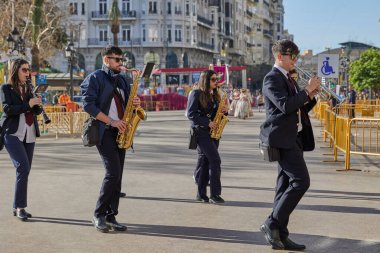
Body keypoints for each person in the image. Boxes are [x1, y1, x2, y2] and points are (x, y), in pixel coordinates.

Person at [259, 39, 320, 250]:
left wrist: (310, 96)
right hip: (281, 139)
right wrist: (305, 91)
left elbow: (297, 108)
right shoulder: (272, 78)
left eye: (296, 56)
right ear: (279, 57)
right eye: (291, 56)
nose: (295, 60)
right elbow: (284, 106)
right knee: (301, 182)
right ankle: (271, 223)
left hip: (293, 137)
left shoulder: (288, 78)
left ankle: (281, 234)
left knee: (283, 186)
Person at [80, 45, 141, 233]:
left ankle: (111, 215)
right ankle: (98, 214)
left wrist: (135, 104)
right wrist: (112, 121)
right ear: (106, 60)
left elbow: (127, 104)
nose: (121, 63)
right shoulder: (95, 78)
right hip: (104, 130)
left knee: (118, 174)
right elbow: (88, 105)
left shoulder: (123, 80)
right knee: (112, 172)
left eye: (122, 60)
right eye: (117, 59)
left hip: (121, 131)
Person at [0, 58, 42, 221]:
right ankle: (20, 207)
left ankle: (16, 205)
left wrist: (37, 103)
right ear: (16, 70)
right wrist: (28, 104)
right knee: (23, 167)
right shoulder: (6, 88)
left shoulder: (30, 88)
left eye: (28, 70)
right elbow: (7, 109)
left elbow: (35, 111)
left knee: (25, 170)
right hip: (12, 133)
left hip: (29, 133)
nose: (27, 73)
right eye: (24, 70)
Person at [187, 70, 228, 204]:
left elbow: (217, 114)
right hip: (201, 132)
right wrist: (208, 122)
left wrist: (224, 112)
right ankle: (215, 195)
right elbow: (191, 114)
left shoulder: (214, 95)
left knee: (205, 163)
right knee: (215, 160)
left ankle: (201, 194)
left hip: (213, 134)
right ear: (206, 80)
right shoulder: (196, 93)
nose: (216, 82)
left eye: (216, 79)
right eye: (213, 79)